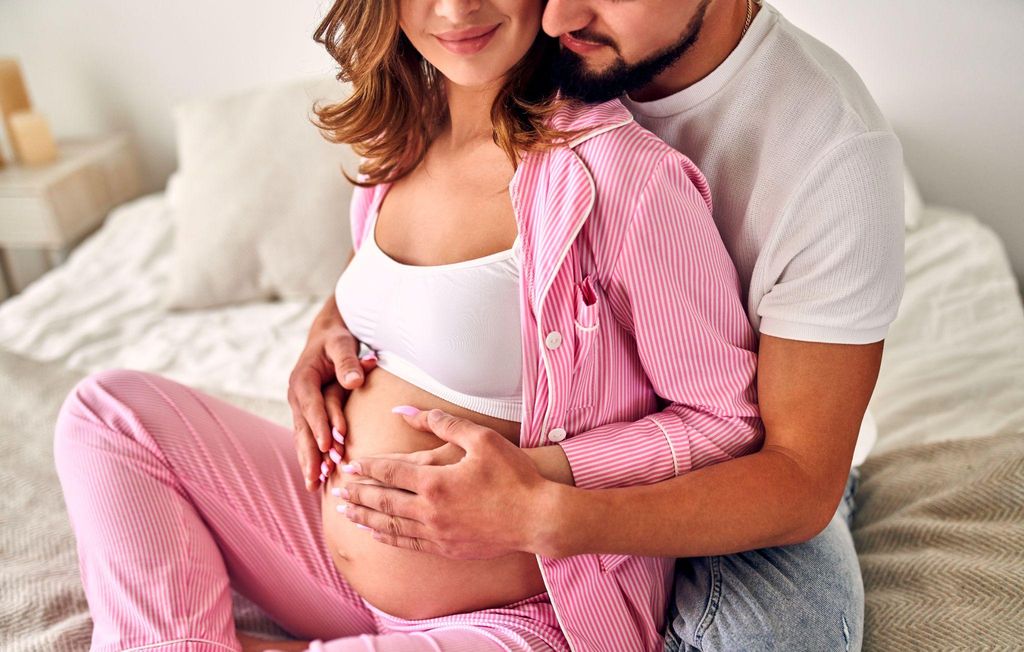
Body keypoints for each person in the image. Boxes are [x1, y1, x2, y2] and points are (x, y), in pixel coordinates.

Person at [53, 0, 765, 651]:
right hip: (326, 556)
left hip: (517, 620)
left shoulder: (625, 179)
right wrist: (323, 335)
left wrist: (548, 478)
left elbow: (725, 420)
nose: (456, 9)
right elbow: (411, 295)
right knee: (108, 414)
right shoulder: (403, 145)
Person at [295, 1, 905, 651]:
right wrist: (333, 323)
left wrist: (545, 512)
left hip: (764, 469)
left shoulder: (831, 149)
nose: (558, 15)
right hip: (567, 455)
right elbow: (450, 223)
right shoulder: (516, 39)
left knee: (779, 638)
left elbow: (799, 478)